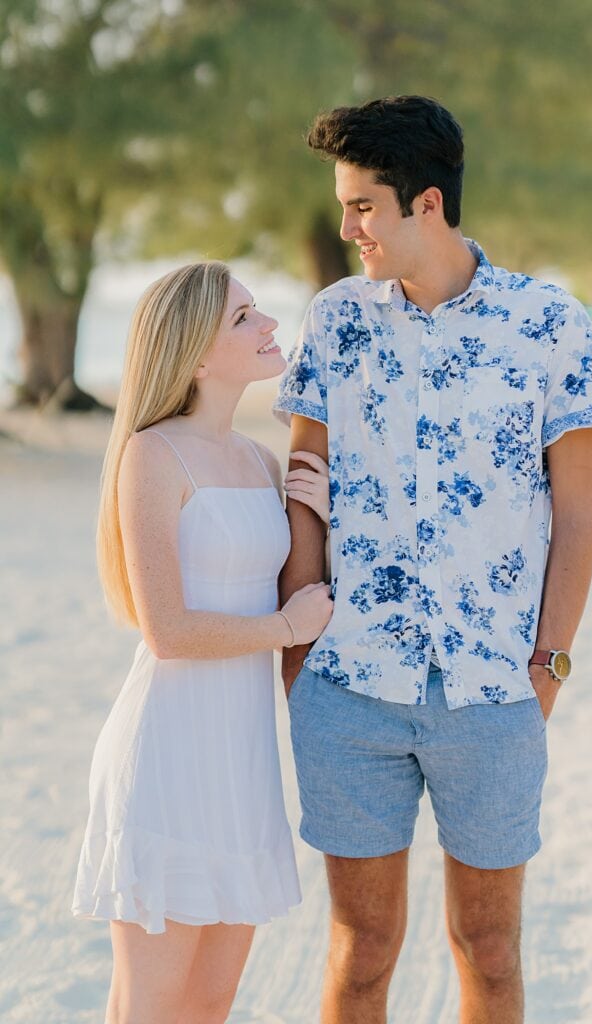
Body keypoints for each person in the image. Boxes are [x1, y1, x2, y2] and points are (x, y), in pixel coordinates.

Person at [274, 96, 592, 1024]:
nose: (346, 228)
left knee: (492, 952)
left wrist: (548, 662)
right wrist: (298, 656)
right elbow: (305, 481)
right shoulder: (334, 320)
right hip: (349, 692)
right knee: (362, 952)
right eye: (343, 207)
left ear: (426, 203)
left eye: (362, 207)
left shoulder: (548, 323)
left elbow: (577, 515)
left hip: (495, 692)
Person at [71, 260, 333, 1024]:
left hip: (241, 764)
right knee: (149, 1008)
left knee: (209, 1005)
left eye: (258, 310)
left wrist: (318, 511)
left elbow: (298, 586)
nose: (269, 326)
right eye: (244, 318)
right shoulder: (153, 455)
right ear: (194, 354)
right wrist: (283, 630)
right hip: (168, 756)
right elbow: (169, 629)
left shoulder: (257, 461)